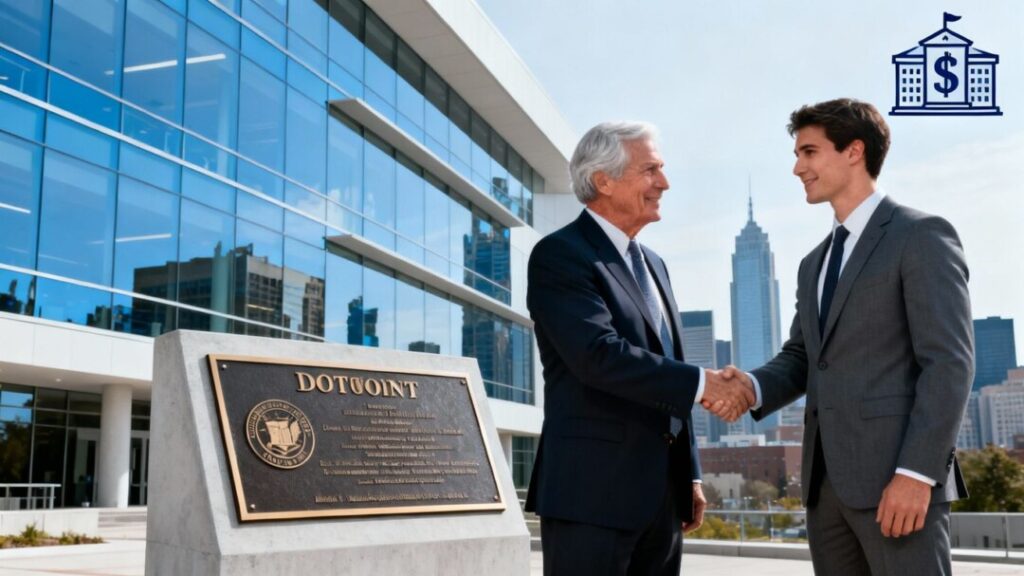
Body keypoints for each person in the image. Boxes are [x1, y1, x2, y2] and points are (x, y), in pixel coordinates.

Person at [712, 99, 973, 575]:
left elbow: (949, 363)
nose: (797, 168)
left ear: (854, 151)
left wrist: (917, 474)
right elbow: (802, 357)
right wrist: (750, 386)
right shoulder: (813, 263)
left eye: (809, 152)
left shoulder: (920, 236)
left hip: (898, 483)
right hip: (825, 490)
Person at [525, 121, 754, 576]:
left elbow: (669, 366)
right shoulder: (560, 255)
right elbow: (598, 356)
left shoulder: (655, 265)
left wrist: (688, 472)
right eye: (651, 170)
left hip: (663, 502)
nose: (664, 183)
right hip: (591, 497)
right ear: (603, 180)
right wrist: (704, 384)